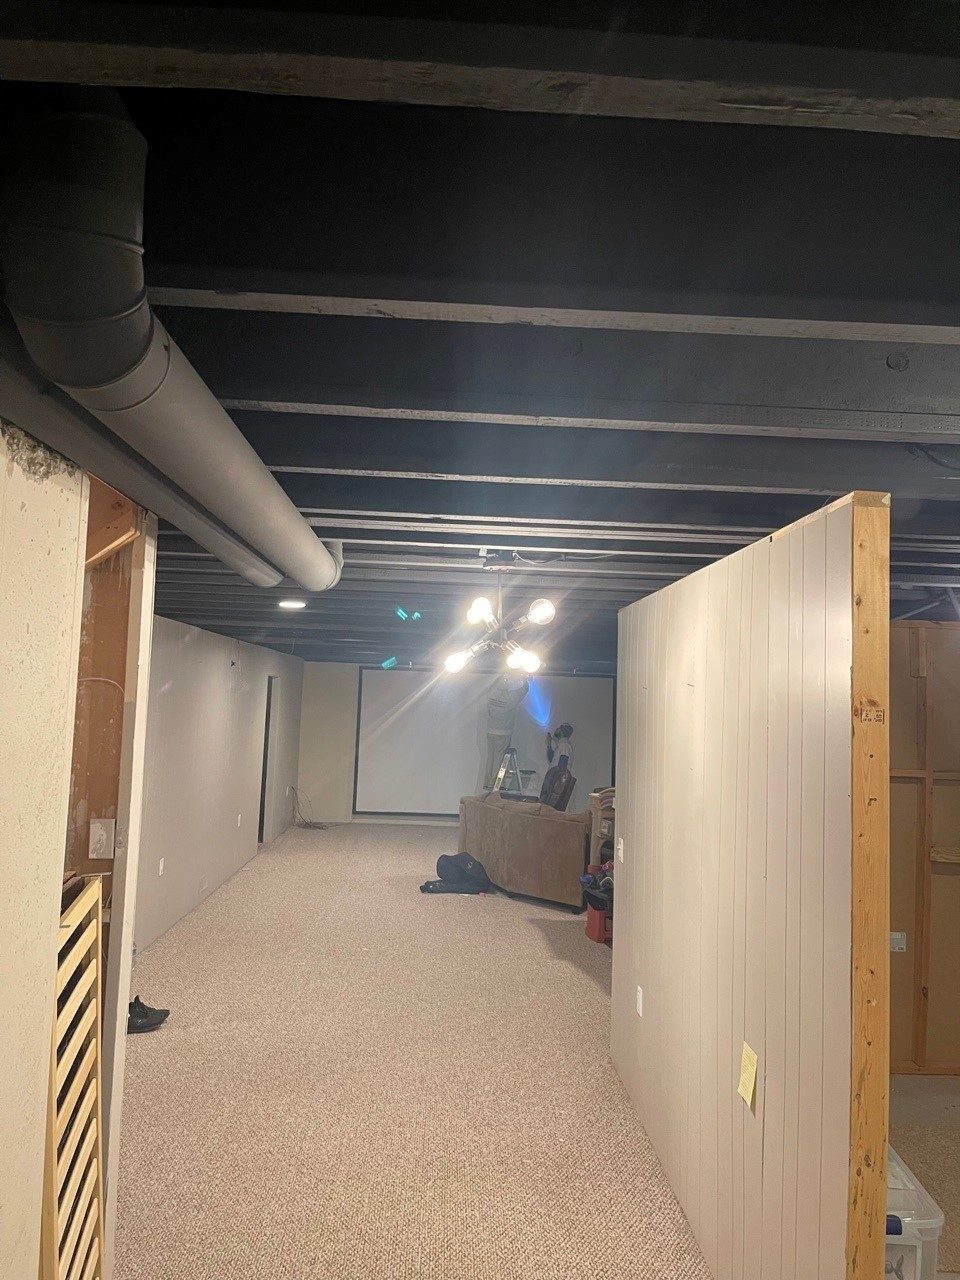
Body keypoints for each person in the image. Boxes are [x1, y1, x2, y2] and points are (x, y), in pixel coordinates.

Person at [478, 673, 529, 791]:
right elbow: (523, 691)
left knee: (490, 758)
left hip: (490, 731)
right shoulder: (510, 697)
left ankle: (488, 782)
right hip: (503, 732)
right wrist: (525, 678)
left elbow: (491, 688)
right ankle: (495, 784)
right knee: (499, 759)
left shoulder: (491, 695)